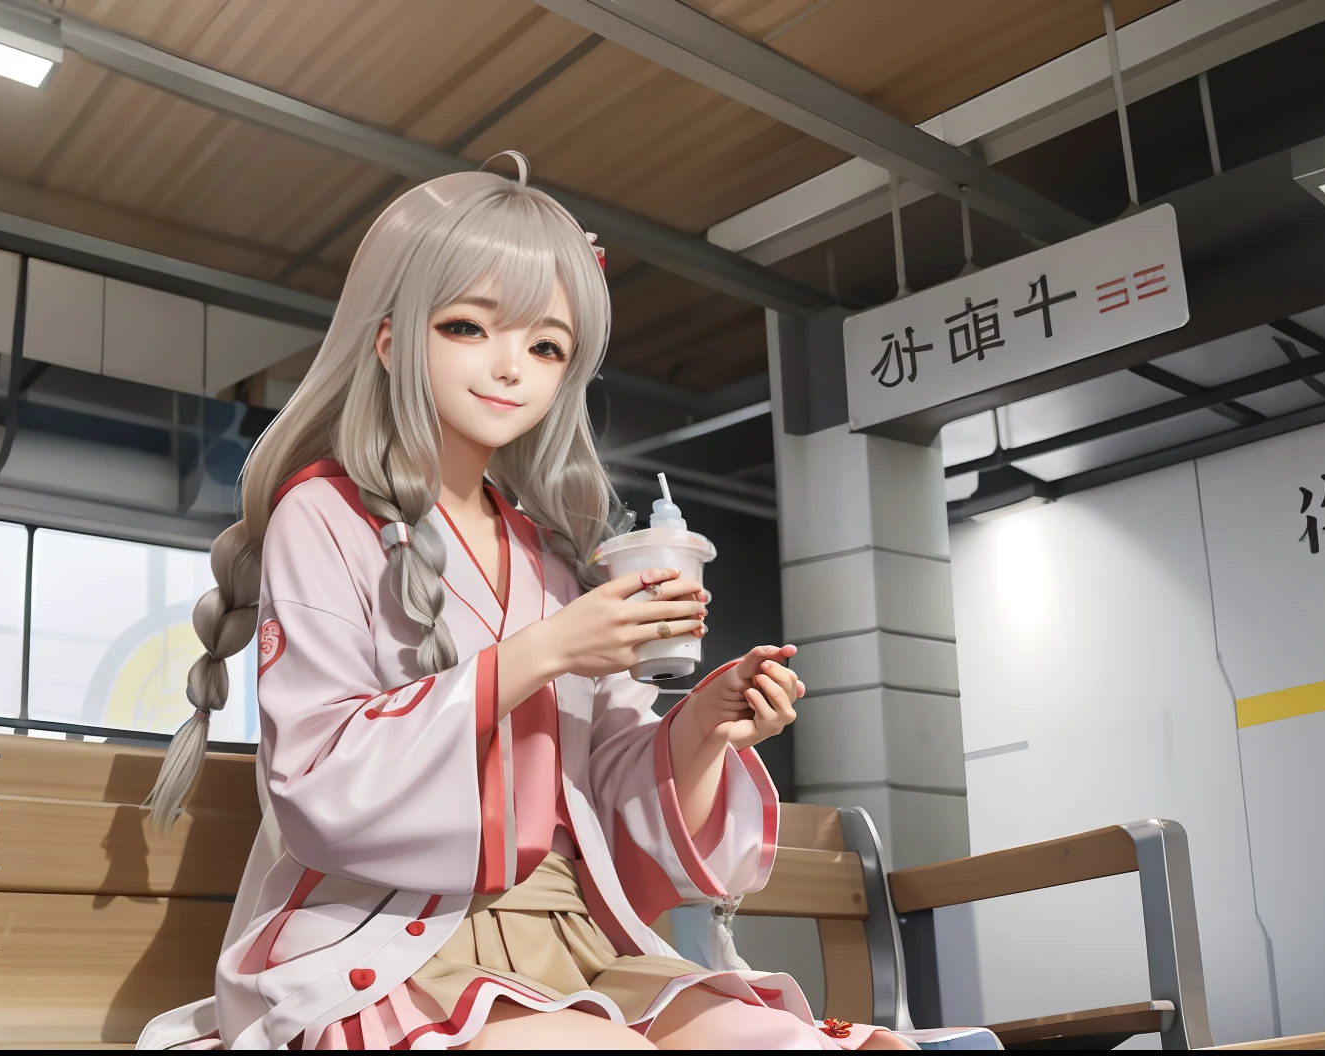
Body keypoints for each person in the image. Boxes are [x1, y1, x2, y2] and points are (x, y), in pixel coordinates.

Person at [133, 155, 909, 1050]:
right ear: (389, 341)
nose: (511, 369)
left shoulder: (553, 553)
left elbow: (615, 809)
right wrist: (545, 651)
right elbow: (316, 782)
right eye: (468, 327)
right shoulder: (323, 514)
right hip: (386, 943)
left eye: (547, 346)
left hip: (579, 943)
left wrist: (703, 728)